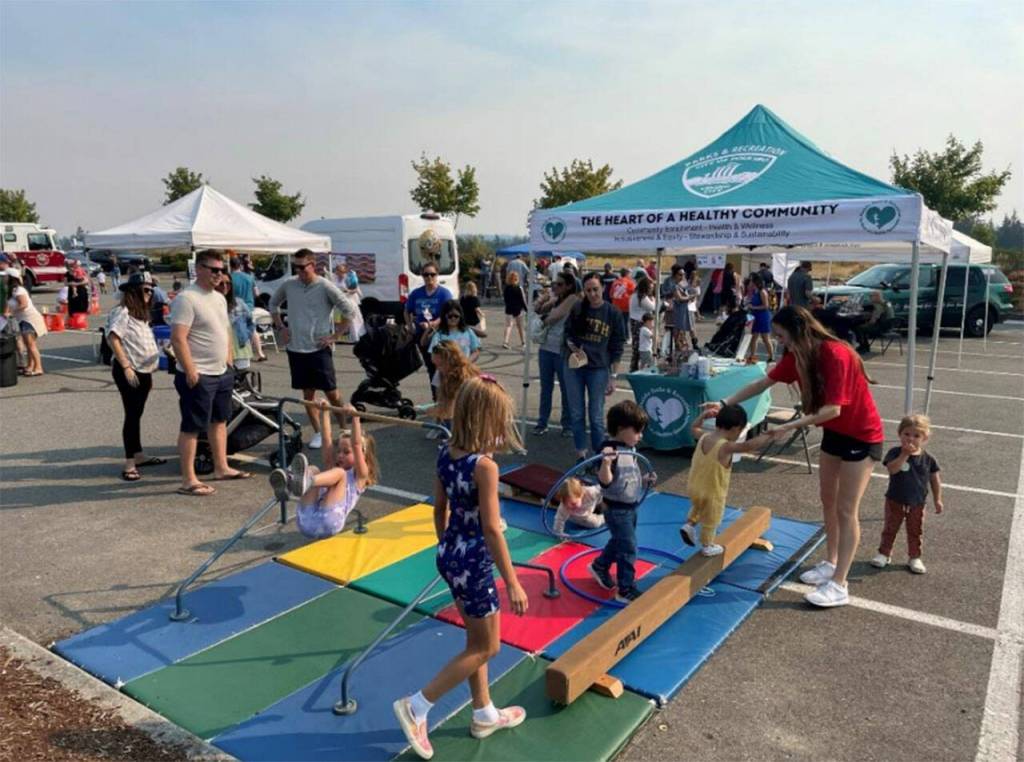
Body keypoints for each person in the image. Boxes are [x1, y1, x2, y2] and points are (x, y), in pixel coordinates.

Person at [703, 306, 883, 608]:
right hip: (835, 434)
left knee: (845, 509)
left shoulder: (836, 354)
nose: (778, 341)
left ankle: (840, 584)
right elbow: (761, 383)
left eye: (780, 335)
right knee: (828, 500)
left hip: (862, 436)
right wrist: (724, 403)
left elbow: (833, 410)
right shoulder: (798, 356)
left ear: (798, 331)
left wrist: (787, 426)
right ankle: (831, 562)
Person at [394, 377, 529, 760]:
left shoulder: (446, 453)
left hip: (451, 555)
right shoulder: (485, 467)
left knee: (476, 643)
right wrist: (513, 582)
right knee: (488, 646)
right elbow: (491, 528)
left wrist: (448, 546)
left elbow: (440, 508)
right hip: (474, 563)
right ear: (488, 419)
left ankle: (484, 712)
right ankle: (417, 706)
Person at [169, 249, 251, 496]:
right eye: (214, 270)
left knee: (220, 421)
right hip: (199, 374)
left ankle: (221, 467)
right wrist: (190, 370)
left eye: (222, 270)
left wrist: (228, 361)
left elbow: (225, 330)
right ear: (199, 269)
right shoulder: (187, 298)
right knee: (192, 427)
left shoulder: (218, 298)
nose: (219, 275)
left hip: (221, 372)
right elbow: (178, 338)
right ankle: (188, 479)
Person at [270, 249, 356, 449]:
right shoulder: (289, 284)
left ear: (313, 265)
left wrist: (335, 336)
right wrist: (281, 327)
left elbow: (349, 310)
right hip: (296, 349)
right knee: (308, 395)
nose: (299, 271)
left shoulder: (325, 286)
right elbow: (273, 303)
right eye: (296, 267)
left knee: (332, 393)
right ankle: (319, 432)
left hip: (318, 349)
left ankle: (344, 430)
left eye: (302, 267)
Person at [271, 400, 379, 539]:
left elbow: (356, 444)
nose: (340, 455)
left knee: (340, 474)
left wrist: (355, 417)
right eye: (339, 451)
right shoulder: (332, 468)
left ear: (362, 455)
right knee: (313, 469)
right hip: (305, 519)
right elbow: (326, 439)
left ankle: (302, 482)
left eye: (346, 452)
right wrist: (324, 412)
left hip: (330, 521)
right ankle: (291, 483)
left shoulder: (360, 476)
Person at [681, 405, 779, 555]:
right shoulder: (725, 447)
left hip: (694, 486)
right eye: (741, 431)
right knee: (711, 519)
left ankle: (689, 525)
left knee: (698, 507)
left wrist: (703, 416)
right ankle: (707, 545)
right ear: (736, 428)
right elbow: (747, 446)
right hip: (713, 493)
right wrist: (769, 436)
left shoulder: (704, 436)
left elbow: (693, 427)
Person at [588, 400, 654, 603]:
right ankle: (625, 588)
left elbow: (628, 476)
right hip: (616, 509)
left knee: (620, 541)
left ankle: (600, 565)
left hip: (630, 505)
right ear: (621, 429)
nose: (640, 436)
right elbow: (605, 481)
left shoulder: (629, 447)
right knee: (628, 547)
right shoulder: (609, 450)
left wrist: (644, 480)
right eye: (637, 431)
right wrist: (606, 463)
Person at [106, 272, 164, 481]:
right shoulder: (122, 312)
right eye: (146, 290)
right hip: (129, 370)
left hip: (143, 370)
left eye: (151, 290)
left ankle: (138, 454)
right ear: (134, 291)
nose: (150, 294)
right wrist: (126, 366)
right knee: (131, 415)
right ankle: (129, 463)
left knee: (136, 414)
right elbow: (114, 338)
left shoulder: (140, 315)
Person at [564, 272, 626, 459]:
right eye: (588, 290)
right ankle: (581, 455)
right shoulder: (578, 308)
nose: (592, 294)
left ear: (603, 288)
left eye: (595, 289)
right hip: (575, 367)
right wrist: (574, 347)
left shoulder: (613, 313)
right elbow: (567, 334)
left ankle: (600, 458)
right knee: (576, 413)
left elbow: (617, 347)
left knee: (596, 415)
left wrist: (613, 377)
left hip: (598, 369)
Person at [871, 415, 943, 574]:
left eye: (916, 436)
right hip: (894, 500)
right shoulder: (895, 453)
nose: (911, 438)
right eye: (907, 434)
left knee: (915, 531)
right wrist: (904, 455)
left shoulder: (928, 459)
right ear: (900, 434)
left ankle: (914, 557)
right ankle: (884, 553)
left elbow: (935, 480)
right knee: (890, 528)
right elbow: (892, 469)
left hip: (917, 502)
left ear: (924, 438)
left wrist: (937, 499)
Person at [532, 272, 579, 436]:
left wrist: (542, 319)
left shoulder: (572, 299)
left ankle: (567, 425)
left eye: (559, 284)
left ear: (569, 286)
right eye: (554, 284)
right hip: (546, 348)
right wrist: (543, 299)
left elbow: (553, 317)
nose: (555, 287)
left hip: (562, 350)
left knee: (566, 389)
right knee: (546, 388)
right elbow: (536, 309)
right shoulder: (555, 299)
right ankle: (542, 422)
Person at [405, 261, 454, 398]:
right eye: (426, 275)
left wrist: (433, 324)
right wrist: (410, 327)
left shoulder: (444, 294)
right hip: (423, 336)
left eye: (432, 274)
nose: (429, 277)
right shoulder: (416, 293)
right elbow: (407, 310)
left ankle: (447, 396)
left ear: (437, 275)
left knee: (443, 367)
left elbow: (449, 314)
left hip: (440, 335)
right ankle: (436, 397)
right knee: (432, 366)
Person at [427, 340, 480, 436]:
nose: (438, 369)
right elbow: (441, 399)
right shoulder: (440, 374)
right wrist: (438, 414)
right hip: (454, 415)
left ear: (452, 360)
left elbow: (472, 405)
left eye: (441, 365)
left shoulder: (468, 376)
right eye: (435, 365)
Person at [4, 268, 47, 376]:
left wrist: (10, 313)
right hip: (22, 320)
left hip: (30, 319)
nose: (3, 278)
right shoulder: (12, 291)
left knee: (31, 345)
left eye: (5, 276)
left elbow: (24, 304)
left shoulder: (19, 290)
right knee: (28, 345)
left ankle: (38, 368)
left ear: (11, 278)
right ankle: (30, 366)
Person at [231, 256, 266, 361]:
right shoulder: (249, 277)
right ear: (240, 266)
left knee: (236, 330)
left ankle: (240, 354)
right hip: (249, 307)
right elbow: (257, 293)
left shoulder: (229, 277)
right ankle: (260, 353)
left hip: (235, 307)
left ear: (230, 266)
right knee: (252, 329)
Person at [216, 275, 254, 370]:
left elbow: (250, 322)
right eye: (221, 283)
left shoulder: (239, 303)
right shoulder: (210, 303)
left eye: (228, 283)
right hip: (219, 350)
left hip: (240, 349)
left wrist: (245, 336)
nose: (225, 286)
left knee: (241, 376)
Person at [627, 277, 656, 372]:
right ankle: (638, 368)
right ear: (645, 287)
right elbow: (653, 307)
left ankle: (634, 367)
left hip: (634, 322)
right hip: (640, 323)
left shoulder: (634, 295)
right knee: (642, 347)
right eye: (650, 288)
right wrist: (653, 298)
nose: (651, 290)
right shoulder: (642, 297)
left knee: (636, 347)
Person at [745, 272, 774, 363]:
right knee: (753, 337)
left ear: (755, 282)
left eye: (751, 281)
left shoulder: (762, 292)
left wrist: (753, 307)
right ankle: (752, 356)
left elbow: (766, 306)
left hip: (763, 316)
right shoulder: (755, 291)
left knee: (765, 338)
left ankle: (771, 357)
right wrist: (749, 304)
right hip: (754, 316)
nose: (750, 282)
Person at [672, 266, 698, 357]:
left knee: (691, 327)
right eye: (680, 275)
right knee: (679, 328)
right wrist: (690, 297)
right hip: (680, 310)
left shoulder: (683, 284)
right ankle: (678, 346)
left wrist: (691, 296)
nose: (682, 276)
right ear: (675, 275)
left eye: (683, 274)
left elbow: (690, 292)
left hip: (686, 308)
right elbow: (680, 298)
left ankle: (693, 344)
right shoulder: (674, 286)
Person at [501, 270, 526, 350]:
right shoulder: (519, 288)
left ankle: (505, 342)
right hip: (518, 309)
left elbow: (505, 299)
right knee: (520, 326)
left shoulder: (506, 288)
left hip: (509, 308)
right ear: (517, 279)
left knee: (508, 326)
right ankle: (523, 342)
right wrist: (526, 309)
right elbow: (522, 300)